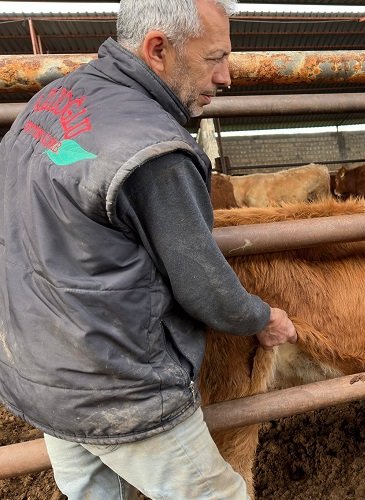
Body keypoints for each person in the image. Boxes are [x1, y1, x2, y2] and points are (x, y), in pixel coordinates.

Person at [0, 0, 297, 498]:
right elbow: (203, 284)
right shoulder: (153, 148)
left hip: (38, 369)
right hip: (116, 384)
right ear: (158, 48)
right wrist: (260, 317)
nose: (227, 77)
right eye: (214, 58)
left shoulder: (49, 101)